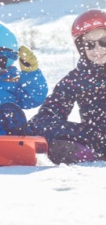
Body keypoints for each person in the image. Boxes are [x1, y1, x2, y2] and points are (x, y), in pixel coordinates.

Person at [30, 9, 106, 164]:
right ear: (81, 48)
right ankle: (81, 153)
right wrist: (37, 126)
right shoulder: (77, 78)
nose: (97, 49)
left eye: (103, 42)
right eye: (90, 45)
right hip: (95, 137)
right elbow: (52, 109)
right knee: (42, 124)